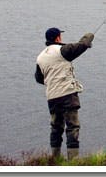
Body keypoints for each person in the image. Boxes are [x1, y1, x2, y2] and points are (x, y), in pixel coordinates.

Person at [35, 27, 94, 160]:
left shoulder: (40, 57)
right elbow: (82, 45)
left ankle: (55, 159)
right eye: (60, 36)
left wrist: (52, 81)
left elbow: (39, 78)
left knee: (56, 128)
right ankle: (73, 161)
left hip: (52, 98)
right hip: (68, 95)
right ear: (57, 38)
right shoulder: (62, 51)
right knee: (72, 127)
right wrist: (90, 34)